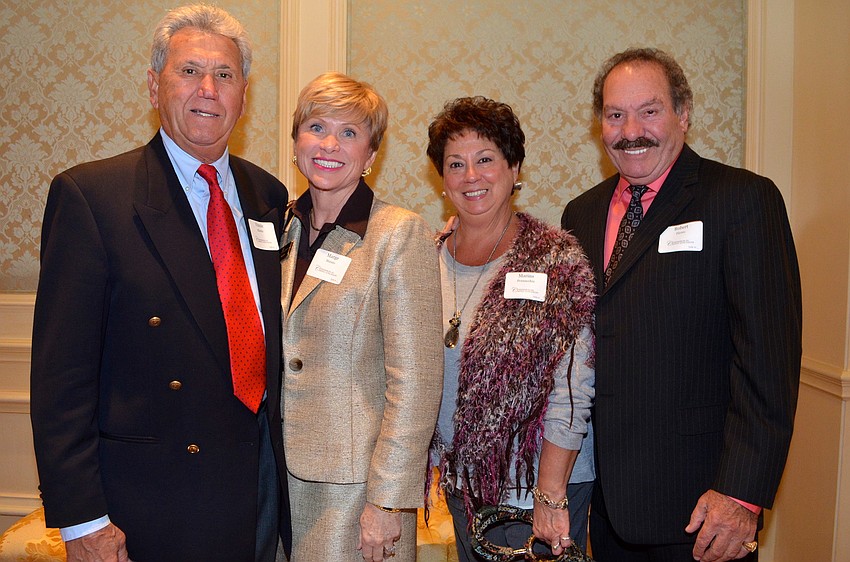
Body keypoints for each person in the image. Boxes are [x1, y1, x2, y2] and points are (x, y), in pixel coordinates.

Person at [30, 5, 290, 561]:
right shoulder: (94, 198)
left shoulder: (268, 197)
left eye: (224, 75)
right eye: (188, 71)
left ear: (244, 95)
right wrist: (82, 522)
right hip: (149, 506)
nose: (207, 89)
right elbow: (60, 381)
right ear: (154, 86)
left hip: (259, 493)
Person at [561, 47, 802, 562]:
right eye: (615, 114)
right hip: (607, 505)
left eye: (649, 111)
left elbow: (768, 362)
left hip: (703, 508)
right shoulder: (581, 213)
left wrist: (741, 495)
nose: (631, 131)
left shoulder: (741, 200)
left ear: (683, 113)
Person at [280, 72, 443, 562]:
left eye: (350, 133)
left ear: (371, 156)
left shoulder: (398, 234)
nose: (330, 143)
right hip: (273, 478)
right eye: (317, 127)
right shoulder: (278, 228)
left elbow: (416, 383)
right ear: (295, 142)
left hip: (356, 490)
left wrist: (388, 500)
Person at [426, 96, 596, 560]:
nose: (471, 176)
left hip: (536, 485)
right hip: (465, 482)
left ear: (514, 167)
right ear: (442, 179)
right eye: (455, 164)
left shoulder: (555, 258)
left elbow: (572, 387)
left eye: (486, 160)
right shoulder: (426, 258)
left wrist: (549, 494)